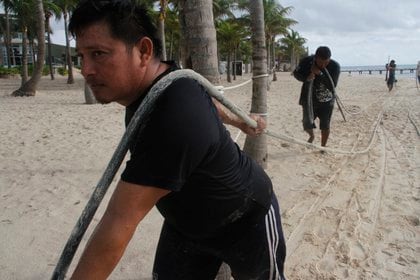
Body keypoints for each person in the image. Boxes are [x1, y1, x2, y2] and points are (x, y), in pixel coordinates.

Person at [68, 1, 286, 279]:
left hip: (245, 217)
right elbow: (203, 96)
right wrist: (237, 120)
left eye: (99, 53)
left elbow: (118, 223)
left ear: (144, 51)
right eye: (81, 57)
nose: (86, 69)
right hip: (185, 225)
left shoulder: (172, 117)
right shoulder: (168, 79)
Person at [293, 46, 340, 147]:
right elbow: (296, 74)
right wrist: (307, 77)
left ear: (329, 59)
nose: (323, 65)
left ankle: (323, 146)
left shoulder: (335, 66)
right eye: (320, 62)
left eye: (326, 62)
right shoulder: (306, 61)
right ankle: (311, 136)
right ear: (315, 57)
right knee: (306, 123)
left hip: (326, 101)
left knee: (325, 125)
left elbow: (333, 85)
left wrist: (320, 73)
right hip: (308, 99)